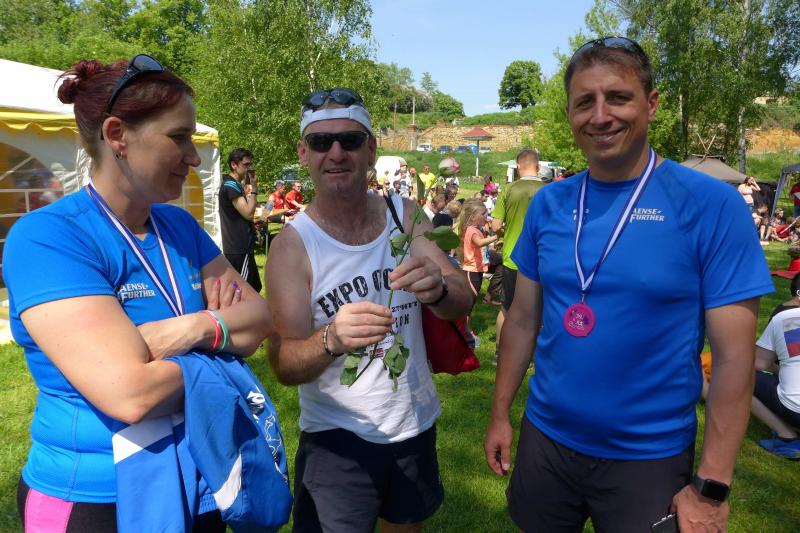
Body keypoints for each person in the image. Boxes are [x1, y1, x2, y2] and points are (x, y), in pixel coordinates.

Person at [483, 36, 773, 532]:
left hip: (648, 455)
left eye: (617, 97)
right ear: (570, 114)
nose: (600, 116)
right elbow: (524, 320)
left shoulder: (710, 205)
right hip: (546, 440)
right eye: (584, 102)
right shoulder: (550, 204)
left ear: (651, 104)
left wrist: (711, 486)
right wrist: (499, 414)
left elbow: (734, 358)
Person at [4, 55, 272, 531]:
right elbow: (130, 394)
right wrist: (222, 349)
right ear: (117, 135)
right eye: (178, 136)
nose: (193, 156)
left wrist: (192, 329)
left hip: (200, 476)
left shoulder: (179, 227)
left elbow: (259, 319)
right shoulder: (49, 237)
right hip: (98, 497)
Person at [266, 88, 471, 532]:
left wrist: (438, 290)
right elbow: (283, 363)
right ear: (303, 152)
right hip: (337, 440)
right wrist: (332, 339)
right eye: (321, 142)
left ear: (372, 149)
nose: (336, 153)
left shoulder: (405, 215)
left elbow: (462, 296)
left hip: (412, 425)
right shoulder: (292, 247)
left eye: (351, 140)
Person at [489, 147, 546, 365]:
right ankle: (529, 355)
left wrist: (507, 231)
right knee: (536, 311)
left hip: (512, 257)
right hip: (540, 259)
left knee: (506, 308)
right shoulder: (548, 190)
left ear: (518, 167)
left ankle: (499, 352)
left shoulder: (509, 189)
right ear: (538, 167)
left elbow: (495, 226)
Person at [753, 274, 800, 458]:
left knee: (740, 375)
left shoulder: (784, 318)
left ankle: (786, 436)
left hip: (795, 409)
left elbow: (758, 363)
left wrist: (780, 370)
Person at [219, 147, 262, 292]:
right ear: (234, 164)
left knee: (254, 287)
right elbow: (248, 213)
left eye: (250, 164)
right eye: (246, 164)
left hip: (241, 247)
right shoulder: (231, 186)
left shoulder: (235, 184)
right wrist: (254, 188)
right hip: (238, 248)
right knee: (244, 291)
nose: (249, 168)